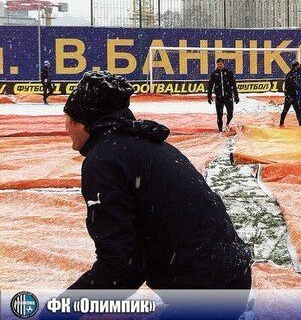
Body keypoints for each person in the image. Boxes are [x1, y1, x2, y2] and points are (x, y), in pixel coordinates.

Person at [60, 71, 252, 318]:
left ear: (83, 122)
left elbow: (122, 268)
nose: (65, 127)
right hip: (228, 278)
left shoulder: (104, 160)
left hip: (204, 292)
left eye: (68, 119)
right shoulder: (146, 144)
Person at [207, 58, 239, 133]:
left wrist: (236, 96)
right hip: (219, 98)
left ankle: (227, 123)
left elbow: (234, 85)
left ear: (223, 64)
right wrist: (209, 96)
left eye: (220, 64)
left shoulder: (229, 73)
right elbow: (210, 86)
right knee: (219, 115)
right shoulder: (214, 74)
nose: (219, 66)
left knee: (230, 113)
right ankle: (220, 131)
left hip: (228, 97)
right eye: (218, 64)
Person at [280, 61, 301, 127]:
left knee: (297, 110)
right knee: (286, 110)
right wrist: (297, 87)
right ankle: (281, 123)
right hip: (290, 95)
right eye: (297, 66)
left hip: (293, 95)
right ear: (295, 67)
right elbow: (291, 85)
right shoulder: (290, 75)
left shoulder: (296, 74)